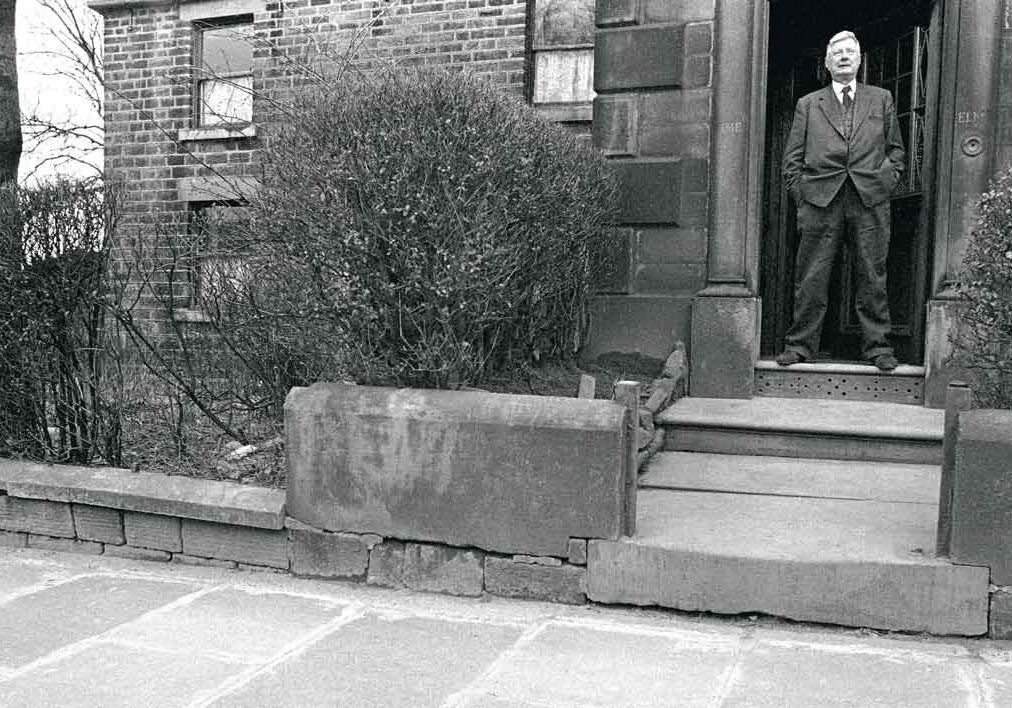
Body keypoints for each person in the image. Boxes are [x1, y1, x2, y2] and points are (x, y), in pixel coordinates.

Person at [777, 30, 905, 371]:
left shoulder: (881, 99)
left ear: (860, 60)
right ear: (827, 63)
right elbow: (792, 159)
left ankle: (878, 348)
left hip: (869, 199)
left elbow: (896, 151)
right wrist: (802, 198)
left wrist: (886, 183)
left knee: (872, 274)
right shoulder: (809, 104)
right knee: (812, 276)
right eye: (838, 53)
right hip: (820, 199)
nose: (844, 57)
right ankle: (800, 346)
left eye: (850, 52)